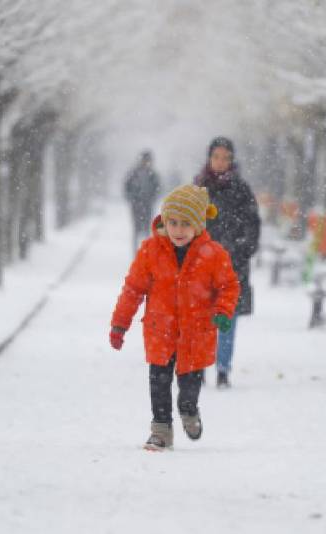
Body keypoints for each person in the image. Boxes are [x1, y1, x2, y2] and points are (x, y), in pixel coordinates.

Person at [109, 184, 240, 451]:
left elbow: (229, 286)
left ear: (198, 226)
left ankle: (189, 410)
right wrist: (119, 324)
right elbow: (133, 289)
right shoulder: (151, 251)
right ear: (165, 222)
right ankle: (160, 430)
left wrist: (223, 311)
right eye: (173, 223)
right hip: (160, 330)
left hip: (196, 333)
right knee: (159, 382)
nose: (178, 230)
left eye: (185, 224)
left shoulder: (213, 254)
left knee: (189, 384)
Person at [194, 136, 261, 388]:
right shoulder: (198, 188)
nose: (220, 162)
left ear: (231, 160)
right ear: (209, 158)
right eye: (216, 157)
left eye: (225, 158)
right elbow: (186, 223)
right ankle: (199, 365)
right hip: (201, 264)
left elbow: (253, 224)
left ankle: (223, 369)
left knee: (227, 317)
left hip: (233, 265)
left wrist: (242, 249)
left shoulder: (241, 190)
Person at [123, 150, 161, 251]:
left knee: (147, 230)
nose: (146, 162)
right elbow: (126, 187)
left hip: (148, 206)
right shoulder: (134, 173)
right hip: (136, 206)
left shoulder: (153, 175)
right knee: (136, 230)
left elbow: (158, 188)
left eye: (148, 160)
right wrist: (132, 199)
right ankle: (136, 252)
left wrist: (152, 199)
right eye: (145, 160)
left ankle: (146, 252)